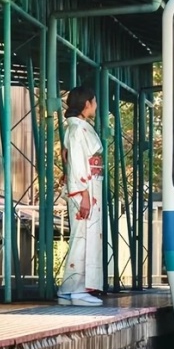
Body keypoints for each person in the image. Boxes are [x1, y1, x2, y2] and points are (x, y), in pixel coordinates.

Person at [57, 85, 104, 306]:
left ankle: (69, 290)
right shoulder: (78, 130)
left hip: (89, 187)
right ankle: (77, 290)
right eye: (94, 102)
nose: (96, 106)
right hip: (86, 189)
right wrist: (83, 193)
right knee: (83, 238)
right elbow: (77, 162)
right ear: (87, 104)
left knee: (82, 238)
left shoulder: (77, 128)